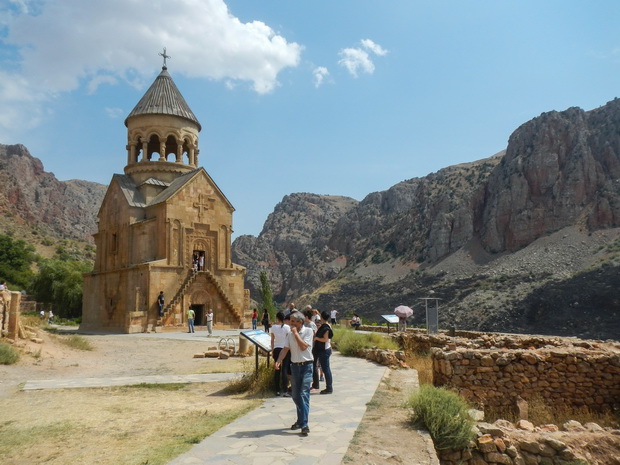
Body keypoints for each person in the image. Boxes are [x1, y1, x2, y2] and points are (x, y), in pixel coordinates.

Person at [275, 311, 314, 436]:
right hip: (295, 367)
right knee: (296, 395)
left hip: (307, 366)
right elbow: (285, 349)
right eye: (290, 321)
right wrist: (278, 361)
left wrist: (296, 334)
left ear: (299, 322)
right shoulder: (289, 335)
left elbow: (303, 347)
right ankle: (300, 420)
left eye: (292, 321)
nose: (290, 323)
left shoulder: (308, 332)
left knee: (304, 393)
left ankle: (304, 424)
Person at [270, 311, 290, 396]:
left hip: (277, 348)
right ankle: (285, 390)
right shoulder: (287, 327)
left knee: (277, 369)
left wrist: (272, 350)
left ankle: (277, 389)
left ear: (277, 318)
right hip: (285, 348)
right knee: (284, 369)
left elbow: (272, 340)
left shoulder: (273, 327)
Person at [314, 310, 334, 394]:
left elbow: (325, 339)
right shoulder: (327, 326)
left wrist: (316, 338)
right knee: (326, 369)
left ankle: (329, 388)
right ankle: (328, 387)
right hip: (325, 349)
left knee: (326, 369)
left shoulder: (326, 328)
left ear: (322, 317)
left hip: (324, 350)